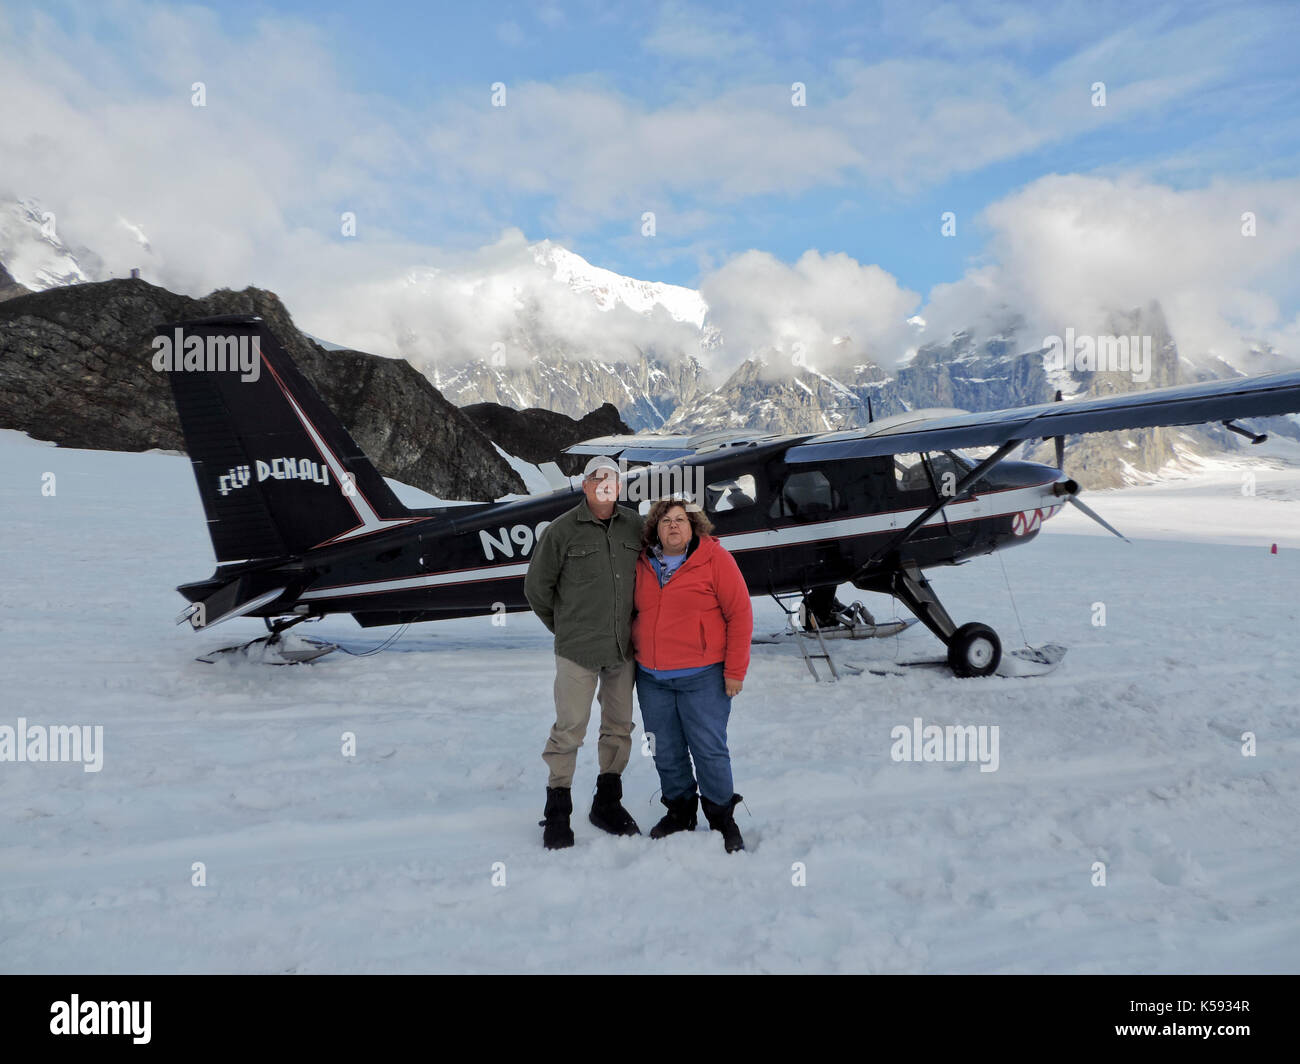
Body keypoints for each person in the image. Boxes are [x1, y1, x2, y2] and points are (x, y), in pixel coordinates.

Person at [524, 455, 643, 849]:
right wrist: (565, 628)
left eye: (612, 478)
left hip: (622, 649)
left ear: (619, 486)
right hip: (577, 650)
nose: (605, 484)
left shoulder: (635, 527)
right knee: (569, 730)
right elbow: (537, 589)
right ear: (585, 485)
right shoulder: (561, 531)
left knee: (619, 727)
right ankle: (557, 812)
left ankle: (607, 803)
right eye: (597, 478)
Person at [631, 497, 753, 853]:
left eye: (681, 520)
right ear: (655, 527)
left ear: (694, 526)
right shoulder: (642, 562)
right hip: (652, 677)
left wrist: (735, 671)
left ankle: (721, 818)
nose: (673, 525)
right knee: (665, 750)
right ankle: (680, 812)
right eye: (665, 520)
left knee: (709, 749)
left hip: (703, 676)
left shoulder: (715, 559)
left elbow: (740, 616)